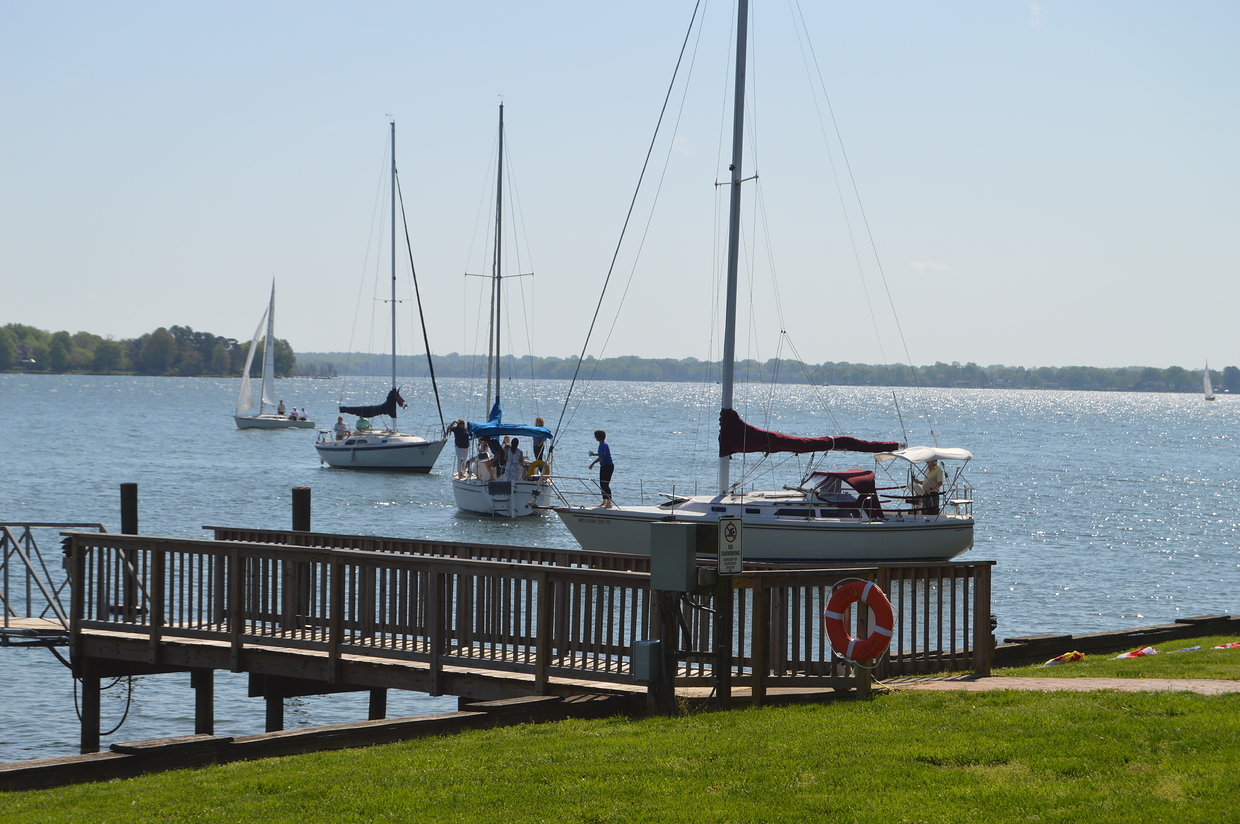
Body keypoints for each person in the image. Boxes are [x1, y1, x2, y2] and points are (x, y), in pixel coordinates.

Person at [589, 429, 614, 507]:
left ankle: (609, 502)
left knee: (605, 484)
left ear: (598, 437)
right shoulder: (601, 444)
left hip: (608, 466)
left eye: (595, 436)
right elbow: (601, 454)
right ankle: (604, 501)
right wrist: (594, 454)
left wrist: (593, 463)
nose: (594, 437)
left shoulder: (604, 444)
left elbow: (602, 456)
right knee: (602, 484)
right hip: (603, 466)